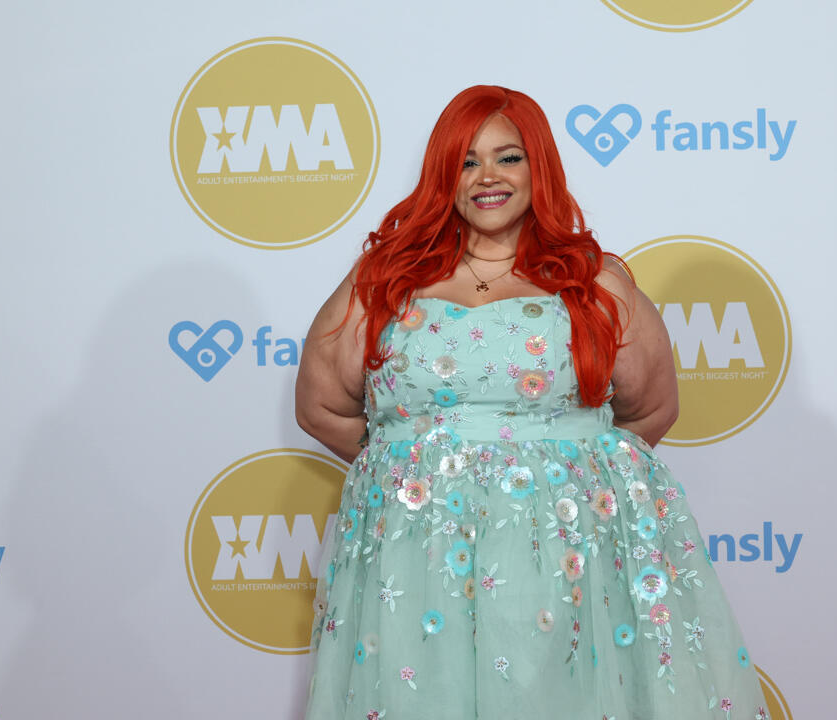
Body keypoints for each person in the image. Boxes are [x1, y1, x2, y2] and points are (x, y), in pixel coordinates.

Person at [295, 85, 770, 720]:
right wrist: (414, 470)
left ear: (538, 166)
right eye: (467, 161)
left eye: (508, 157)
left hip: (565, 552)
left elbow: (651, 409)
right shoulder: (385, 280)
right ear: (443, 176)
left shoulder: (594, 282)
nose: (487, 176)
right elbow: (322, 405)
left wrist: (558, 475)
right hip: (421, 554)